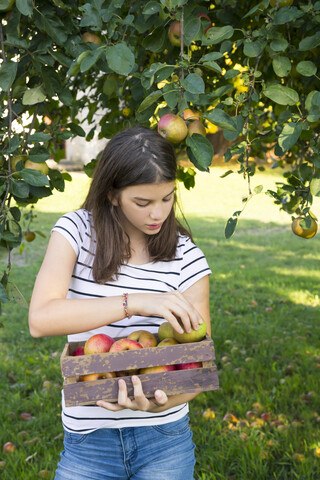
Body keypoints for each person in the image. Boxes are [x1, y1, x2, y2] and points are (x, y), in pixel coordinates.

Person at [29, 126, 212, 480]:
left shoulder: (186, 257)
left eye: (167, 198)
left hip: (164, 440)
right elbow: (40, 318)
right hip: (89, 443)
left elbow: (198, 370)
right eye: (142, 202)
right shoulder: (76, 233)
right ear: (113, 194)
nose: (157, 214)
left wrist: (156, 402)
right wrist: (136, 302)